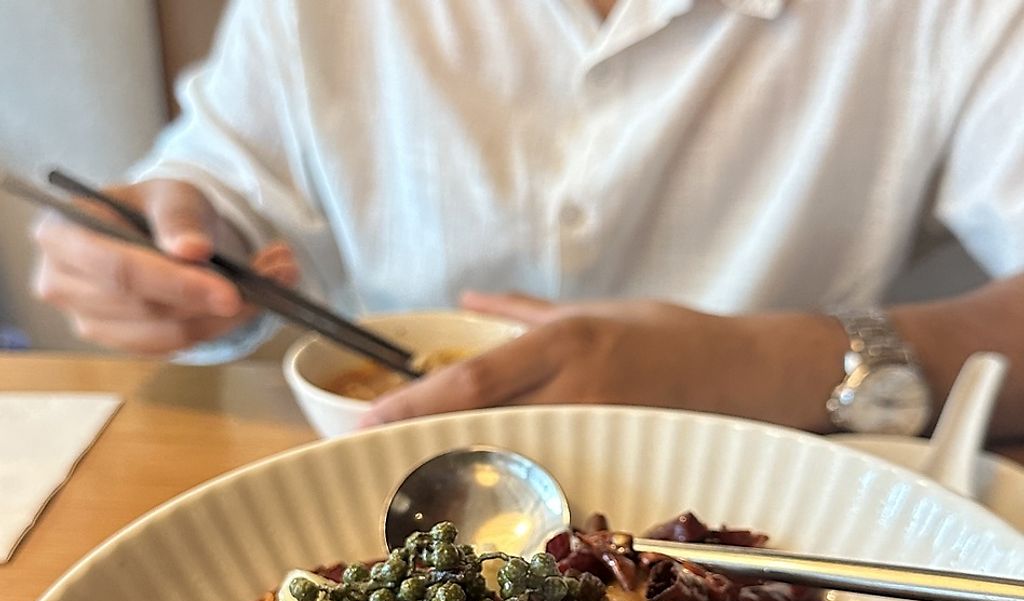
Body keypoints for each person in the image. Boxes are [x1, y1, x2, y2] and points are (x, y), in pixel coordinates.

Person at [31, 0, 1024, 440]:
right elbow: (218, 184)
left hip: (781, 501)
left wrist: (755, 364)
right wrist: (172, 248)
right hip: (374, 490)